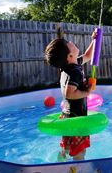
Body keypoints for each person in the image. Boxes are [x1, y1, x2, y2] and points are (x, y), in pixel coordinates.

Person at [44, 29, 96, 161]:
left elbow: (88, 55)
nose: (71, 42)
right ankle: (77, 169)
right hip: (76, 119)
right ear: (69, 56)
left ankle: (60, 162)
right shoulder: (74, 72)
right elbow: (70, 94)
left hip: (67, 116)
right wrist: (87, 92)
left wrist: (94, 40)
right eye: (68, 43)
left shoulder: (70, 66)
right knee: (80, 151)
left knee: (67, 147)